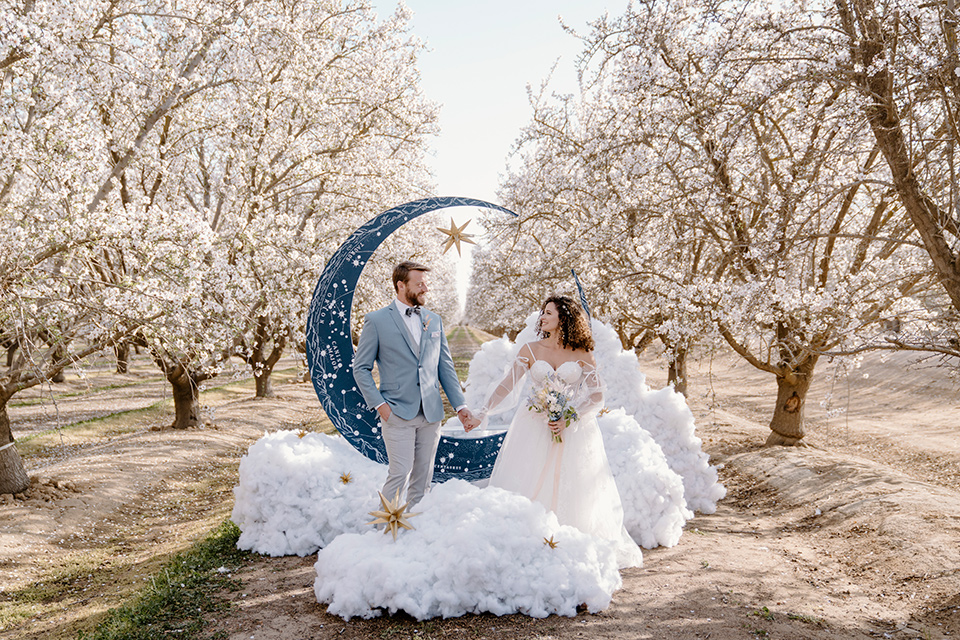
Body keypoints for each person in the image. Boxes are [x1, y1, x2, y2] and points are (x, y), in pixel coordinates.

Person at [468, 295, 643, 567]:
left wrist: (569, 417)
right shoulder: (530, 349)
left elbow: (597, 396)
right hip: (532, 426)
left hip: (571, 429)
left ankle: (566, 545)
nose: (542, 317)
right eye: (543, 312)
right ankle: (528, 540)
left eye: (548, 313)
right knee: (528, 477)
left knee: (568, 485)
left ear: (565, 318)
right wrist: (483, 411)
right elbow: (506, 386)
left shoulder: (582, 354)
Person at [353, 261, 474, 508]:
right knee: (400, 472)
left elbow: (445, 367)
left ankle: (414, 531)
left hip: (431, 413)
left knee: (423, 477)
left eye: (425, 284)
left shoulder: (434, 320)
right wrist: (380, 405)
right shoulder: (376, 321)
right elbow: (360, 368)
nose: (425, 289)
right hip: (396, 412)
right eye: (419, 284)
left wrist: (460, 406)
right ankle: (385, 533)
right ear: (401, 285)